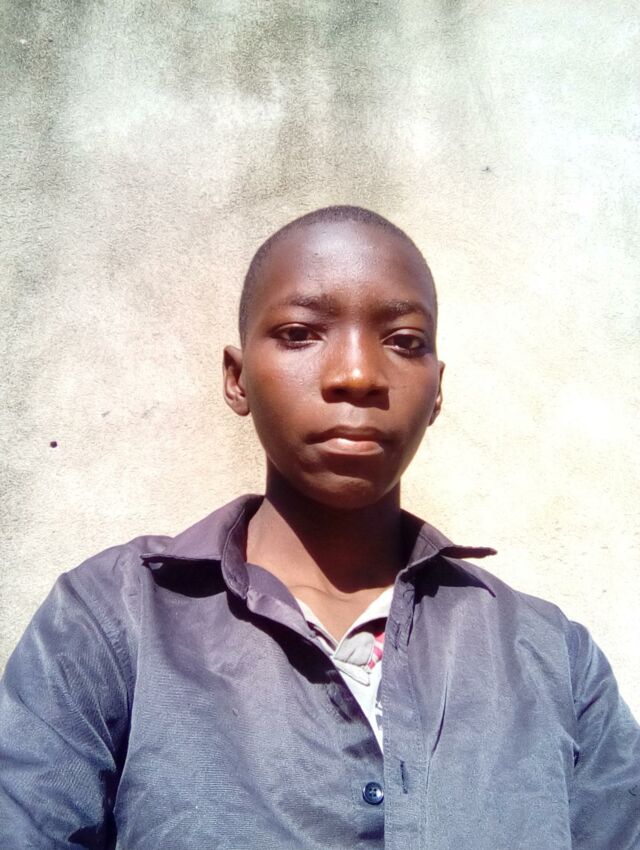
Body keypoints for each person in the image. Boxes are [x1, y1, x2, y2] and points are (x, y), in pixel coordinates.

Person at [0, 206, 638, 849]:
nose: (357, 375)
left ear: (437, 391)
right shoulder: (110, 619)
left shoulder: (554, 658)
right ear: (237, 378)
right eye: (301, 333)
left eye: (404, 341)